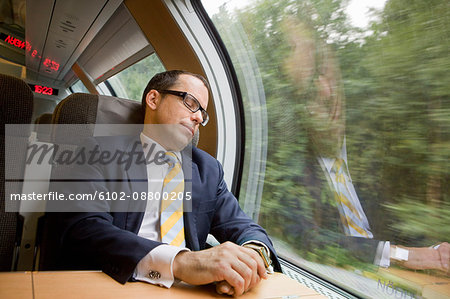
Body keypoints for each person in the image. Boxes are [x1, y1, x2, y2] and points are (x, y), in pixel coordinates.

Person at [48, 70, 281, 297]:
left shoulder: (208, 169)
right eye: (190, 102)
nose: (199, 117)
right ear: (153, 99)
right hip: (116, 284)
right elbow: (83, 228)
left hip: (188, 292)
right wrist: (180, 262)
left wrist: (251, 257)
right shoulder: (97, 151)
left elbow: (246, 227)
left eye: (202, 112)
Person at [282, 17, 449, 274]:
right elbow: (308, 240)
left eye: (329, 75)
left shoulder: (378, 147)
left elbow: (396, 221)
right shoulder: (292, 165)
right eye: (311, 87)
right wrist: (401, 254)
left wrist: (435, 252)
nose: (326, 92)